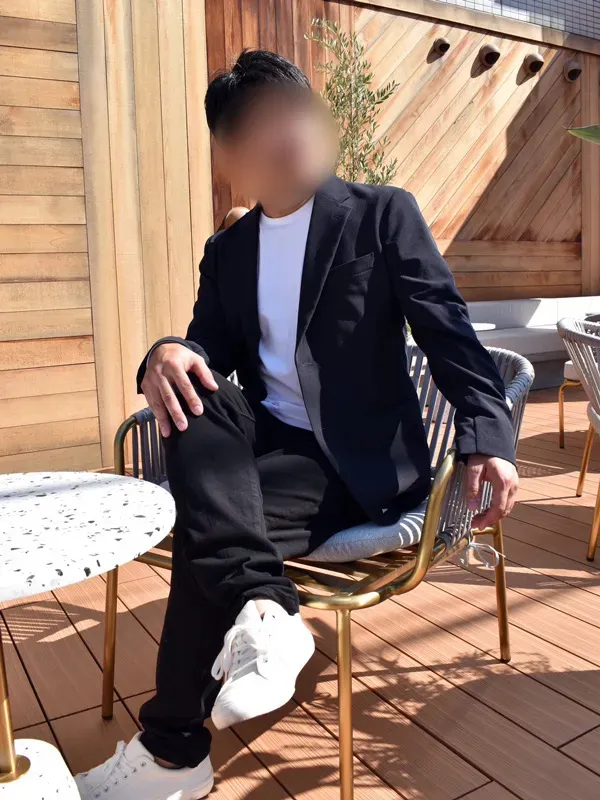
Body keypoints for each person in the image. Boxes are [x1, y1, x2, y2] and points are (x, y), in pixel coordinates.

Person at [76, 49, 518, 800]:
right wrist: (165, 353)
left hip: (356, 460)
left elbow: (449, 334)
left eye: (300, 111)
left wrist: (489, 439)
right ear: (232, 156)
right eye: (266, 122)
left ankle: (172, 754)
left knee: (206, 529)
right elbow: (207, 348)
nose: (293, 131)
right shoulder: (229, 251)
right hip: (269, 447)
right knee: (190, 390)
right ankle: (264, 606)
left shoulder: (380, 215)